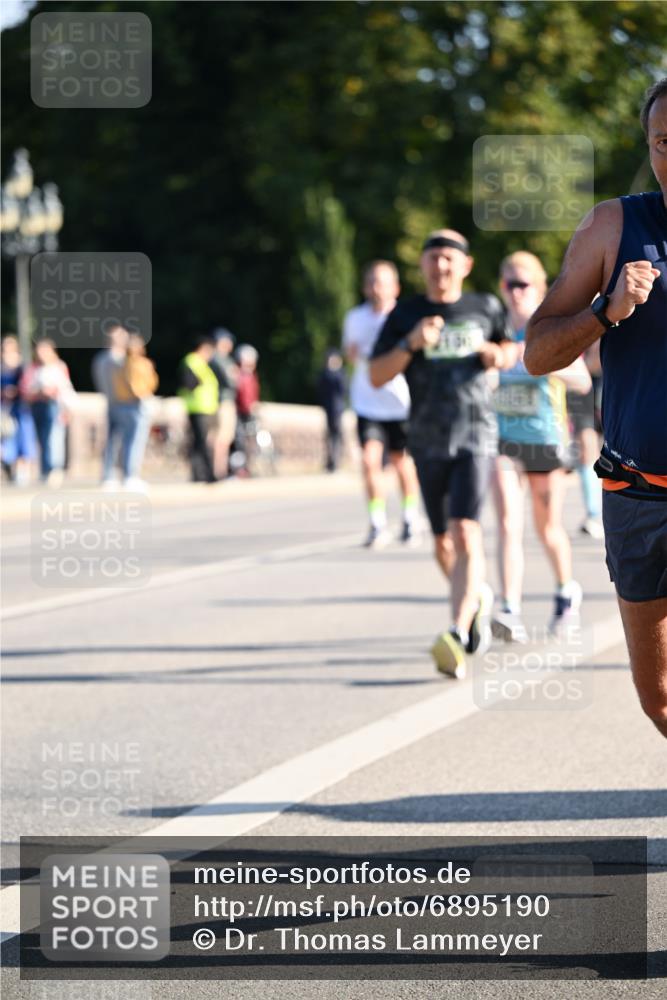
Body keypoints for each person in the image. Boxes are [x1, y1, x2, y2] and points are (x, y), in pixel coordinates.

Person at [525, 78, 667, 738]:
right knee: (658, 697)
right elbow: (537, 352)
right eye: (663, 142)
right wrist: (603, 312)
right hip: (638, 495)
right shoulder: (613, 225)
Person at [370, 229, 516, 678]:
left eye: (450, 258)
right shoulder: (406, 314)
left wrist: (496, 354)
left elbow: (511, 349)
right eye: (433, 258)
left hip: (476, 433)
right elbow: (376, 375)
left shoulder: (484, 307)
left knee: (466, 530)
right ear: (423, 264)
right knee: (441, 541)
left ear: (465, 266)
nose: (441, 266)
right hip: (428, 439)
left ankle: (456, 631)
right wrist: (411, 342)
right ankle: (475, 597)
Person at [492, 252, 592, 641]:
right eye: (509, 284)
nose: (516, 292)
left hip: (545, 439)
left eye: (524, 284)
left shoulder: (546, 327)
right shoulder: (494, 328)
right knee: (506, 524)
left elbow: (582, 379)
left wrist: (533, 358)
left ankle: (567, 592)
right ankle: (509, 609)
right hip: (504, 439)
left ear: (539, 287)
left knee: (547, 528)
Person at [343, 260, 420, 547]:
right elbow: (352, 355)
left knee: (402, 463)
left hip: (399, 402)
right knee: (369, 461)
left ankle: (410, 518)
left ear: (395, 288)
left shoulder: (404, 318)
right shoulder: (354, 318)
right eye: (372, 282)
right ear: (365, 287)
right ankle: (377, 523)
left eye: (383, 282)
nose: (377, 288)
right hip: (367, 402)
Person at [20, 339, 75, 485]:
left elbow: (65, 389)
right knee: (41, 439)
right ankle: (44, 470)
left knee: (54, 438)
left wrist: (66, 408)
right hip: (37, 406)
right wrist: (38, 392)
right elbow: (25, 389)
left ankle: (55, 468)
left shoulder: (59, 367)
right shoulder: (33, 369)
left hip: (54, 405)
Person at [566, 338, 604, 539]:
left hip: (606, 387)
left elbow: (595, 364)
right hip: (578, 388)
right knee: (585, 452)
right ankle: (593, 514)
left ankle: (598, 514)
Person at [110, 334, 159, 492]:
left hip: (122, 404)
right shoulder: (139, 364)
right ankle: (131, 475)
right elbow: (143, 385)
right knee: (135, 441)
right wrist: (142, 394)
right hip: (136, 404)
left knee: (126, 442)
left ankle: (126, 475)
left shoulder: (119, 364)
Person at [92, 324, 131, 488]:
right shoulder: (114, 359)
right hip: (121, 403)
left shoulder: (102, 359)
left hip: (116, 403)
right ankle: (119, 474)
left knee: (115, 440)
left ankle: (112, 474)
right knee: (118, 440)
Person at [178, 335, 219, 483]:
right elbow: (189, 383)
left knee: (197, 443)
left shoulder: (199, 363)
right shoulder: (193, 361)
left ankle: (198, 475)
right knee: (202, 443)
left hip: (203, 407)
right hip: (198, 407)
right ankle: (208, 474)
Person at [1, 335, 36, 485]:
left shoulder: (22, 367)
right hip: (5, 410)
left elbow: (28, 387)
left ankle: (22, 471)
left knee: (23, 439)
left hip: (20, 409)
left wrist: (17, 391)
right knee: (7, 440)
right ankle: (8, 467)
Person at [209, 328, 238, 479]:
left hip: (223, 402)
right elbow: (232, 380)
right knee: (222, 439)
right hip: (223, 402)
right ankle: (219, 472)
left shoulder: (220, 359)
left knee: (223, 438)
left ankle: (220, 471)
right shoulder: (218, 359)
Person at [317, 349, 347, 472]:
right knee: (330, 436)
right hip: (329, 409)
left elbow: (344, 389)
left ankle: (336, 461)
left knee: (337, 435)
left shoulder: (340, 374)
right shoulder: (325, 374)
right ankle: (330, 461)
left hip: (338, 410)